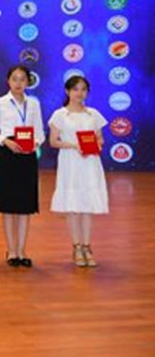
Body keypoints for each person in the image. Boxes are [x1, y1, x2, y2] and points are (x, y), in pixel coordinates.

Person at [0, 65, 45, 268]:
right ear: (8, 81)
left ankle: (22, 250)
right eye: (14, 79)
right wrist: (5, 141)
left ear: (28, 82)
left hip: (28, 156)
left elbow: (40, 132)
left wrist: (36, 143)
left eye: (22, 79)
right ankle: (11, 251)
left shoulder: (34, 104)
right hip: (8, 154)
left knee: (25, 206)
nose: (18, 83)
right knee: (9, 205)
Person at [48, 75, 108, 267]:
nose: (79, 93)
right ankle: (76, 247)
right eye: (75, 89)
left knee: (87, 206)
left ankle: (87, 246)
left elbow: (100, 138)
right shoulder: (60, 115)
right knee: (73, 205)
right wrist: (75, 146)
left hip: (90, 162)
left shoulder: (93, 114)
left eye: (83, 89)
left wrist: (96, 144)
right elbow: (53, 141)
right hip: (71, 162)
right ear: (67, 91)